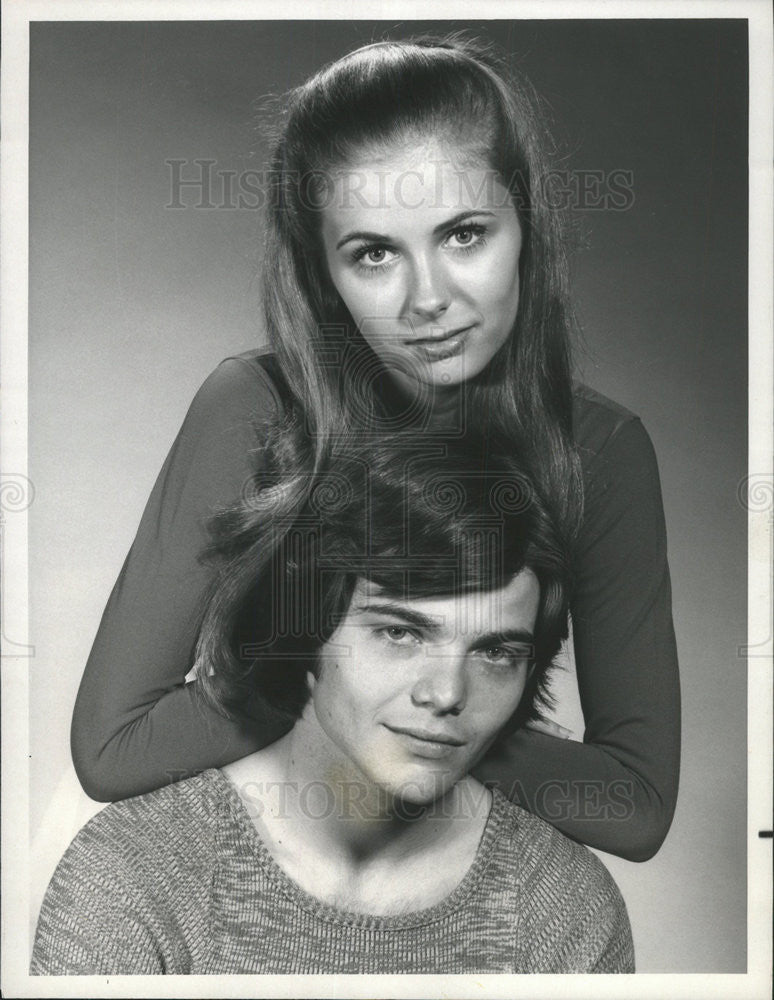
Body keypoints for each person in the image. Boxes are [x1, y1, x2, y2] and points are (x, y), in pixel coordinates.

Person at [70, 35, 679, 861]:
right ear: (325, 273)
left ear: (527, 226)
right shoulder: (253, 405)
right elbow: (113, 750)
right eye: (375, 253)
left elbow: (635, 806)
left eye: (464, 234)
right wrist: (345, 692)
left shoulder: (601, 452)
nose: (429, 298)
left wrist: (428, 718)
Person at [32, 433, 635, 975]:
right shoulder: (136, 876)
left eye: (496, 652)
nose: (448, 694)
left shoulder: (566, 908)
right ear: (307, 632)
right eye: (400, 633)